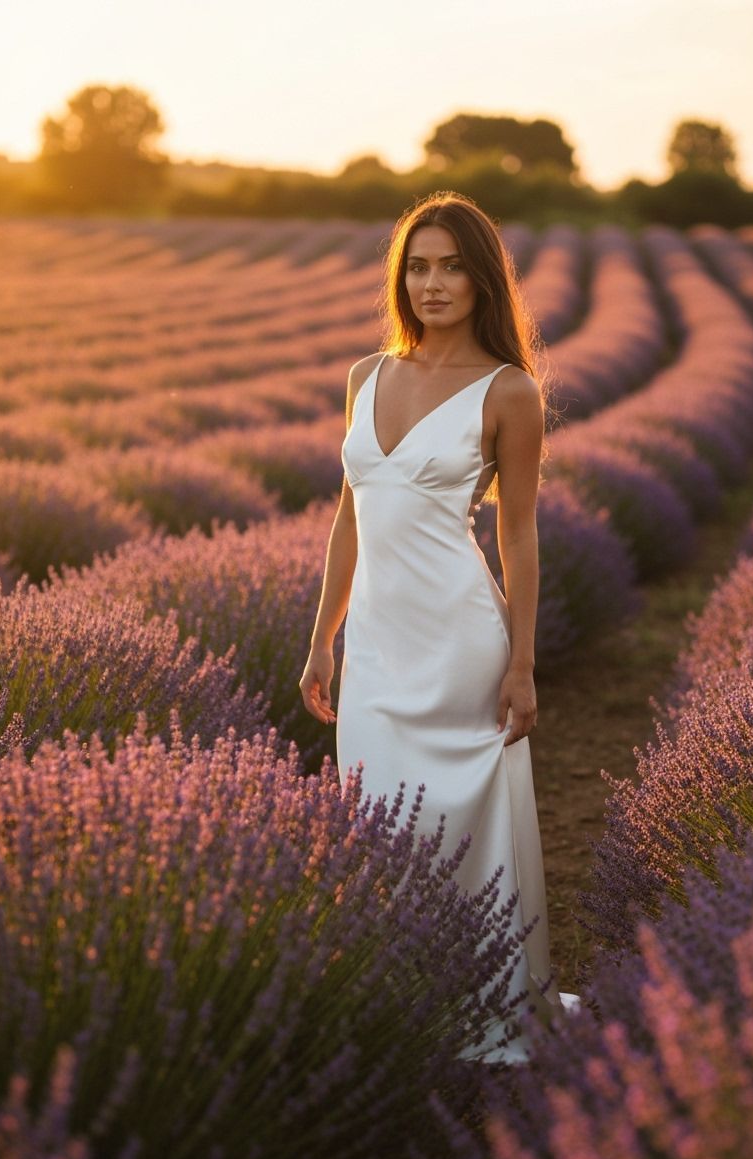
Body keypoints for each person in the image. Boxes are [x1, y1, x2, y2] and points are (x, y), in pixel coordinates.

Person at [299, 191, 580, 1065]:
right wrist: (322, 636)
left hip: (461, 638)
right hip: (378, 647)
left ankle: (490, 1003)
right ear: (400, 278)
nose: (433, 283)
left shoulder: (510, 392)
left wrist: (524, 664)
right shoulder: (365, 376)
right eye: (418, 266)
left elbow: (520, 532)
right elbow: (350, 517)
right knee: (378, 822)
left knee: (464, 818)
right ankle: (400, 1001)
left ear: (483, 278)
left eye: (452, 265)